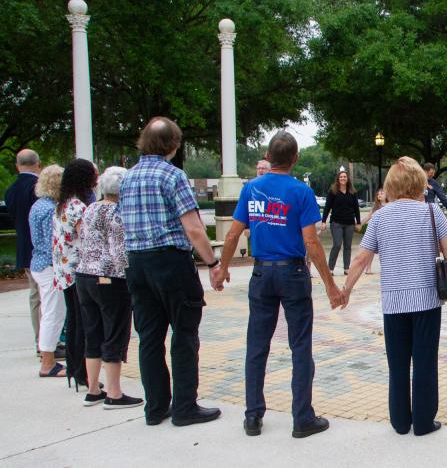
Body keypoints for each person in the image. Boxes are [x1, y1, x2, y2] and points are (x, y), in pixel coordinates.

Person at [215, 131, 342, 438]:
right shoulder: (300, 192)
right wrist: (329, 284)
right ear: (295, 158)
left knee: (257, 346)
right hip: (293, 273)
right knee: (300, 345)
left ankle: (253, 416)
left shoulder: (251, 189)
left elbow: (232, 234)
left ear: (268, 157)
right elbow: (311, 241)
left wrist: (223, 268)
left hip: (261, 273)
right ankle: (302, 418)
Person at [340, 157, 447, 436]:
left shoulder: (379, 217)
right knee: (425, 362)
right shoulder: (431, 212)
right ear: (419, 184)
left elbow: (362, 259)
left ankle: (400, 421)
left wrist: (345, 291)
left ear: (391, 184)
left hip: (393, 303)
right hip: (427, 301)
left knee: (398, 364)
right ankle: (424, 422)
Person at [119, 116, 223, 427]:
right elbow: (193, 228)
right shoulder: (173, 176)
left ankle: (156, 407)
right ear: (173, 145)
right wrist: (213, 263)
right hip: (170, 262)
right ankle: (185, 406)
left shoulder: (127, 179)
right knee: (184, 333)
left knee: (149, 336)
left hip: (137, 263)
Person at [74, 166, 143, 409]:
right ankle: (114, 392)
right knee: (115, 331)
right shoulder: (117, 212)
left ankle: (93, 389)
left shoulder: (91, 209)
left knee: (93, 330)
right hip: (109, 278)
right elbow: (119, 252)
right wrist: (133, 275)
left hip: (84, 274)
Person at [53, 159, 98, 391]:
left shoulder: (62, 204)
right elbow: (87, 238)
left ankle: (73, 368)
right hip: (79, 269)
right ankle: (83, 372)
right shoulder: (79, 208)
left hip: (64, 270)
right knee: (84, 324)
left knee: (73, 321)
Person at [30, 165, 66, 377]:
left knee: (50, 312)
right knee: (54, 313)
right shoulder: (51, 209)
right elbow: (54, 242)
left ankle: (48, 359)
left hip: (39, 263)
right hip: (50, 266)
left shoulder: (38, 206)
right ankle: (47, 362)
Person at [5, 149, 41, 349]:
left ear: (18, 166)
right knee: (46, 296)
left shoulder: (10, 191)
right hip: (41, 250)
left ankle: (40, 339)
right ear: (38, 164)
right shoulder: (38, 188)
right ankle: (45, 342)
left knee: (35, 295)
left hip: (24, 249)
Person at [320, 170, 361, 275]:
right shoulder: (333, 191)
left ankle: (346, 268)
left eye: (345, 177)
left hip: (349, 223)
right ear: (338, 179)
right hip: (336, 222)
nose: (343, 178)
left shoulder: (352, 192)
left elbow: (356, 208)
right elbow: (327, 207)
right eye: (341, 177)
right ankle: (330, 268)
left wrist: (358, 222)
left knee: (348, 246)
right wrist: (323, 221)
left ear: (347, 179)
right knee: (337, 244)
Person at [360, 188, 386, 274]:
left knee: (384, 251)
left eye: (381, 193)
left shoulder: (390, 205)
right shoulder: (376, 207)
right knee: (370, 251)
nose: (379, 195)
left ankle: (385, 268)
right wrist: (359, 224)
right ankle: (368, 268)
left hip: (385, 232)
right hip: (376, 231)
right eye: (378, 194)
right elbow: (368, 217)